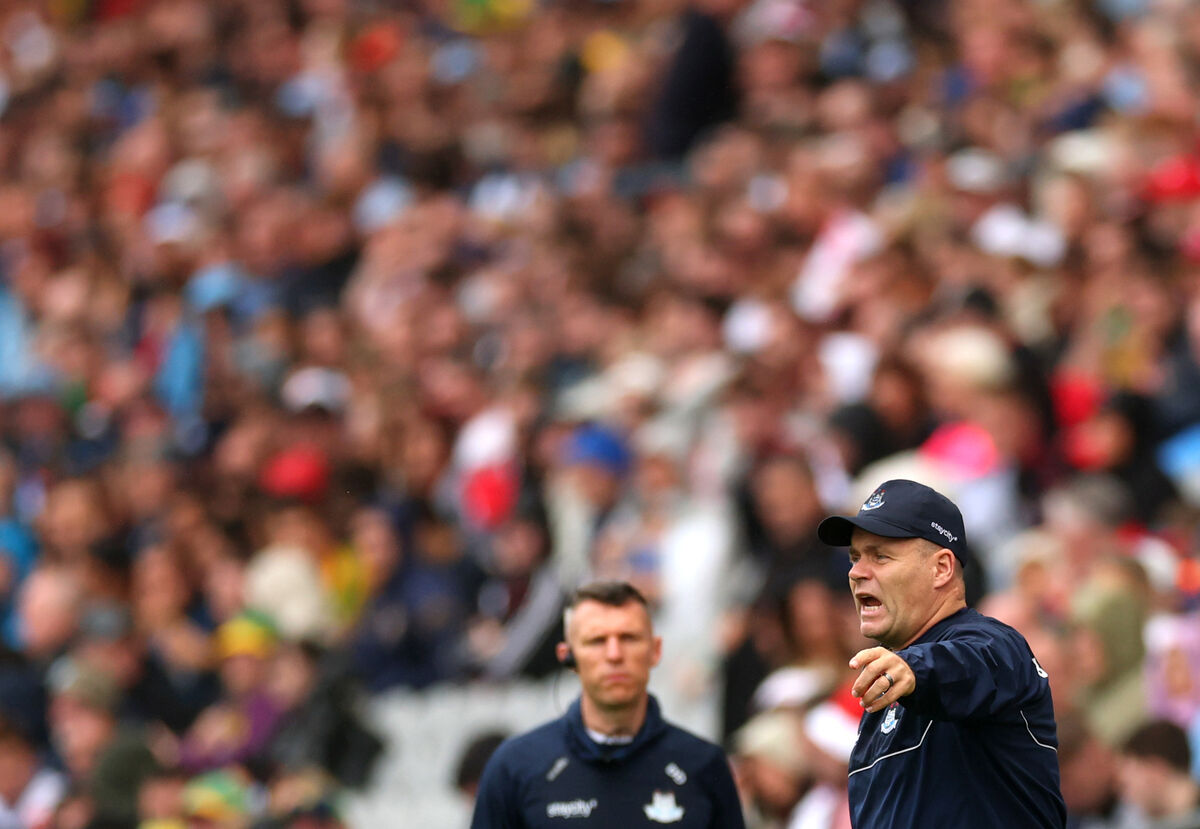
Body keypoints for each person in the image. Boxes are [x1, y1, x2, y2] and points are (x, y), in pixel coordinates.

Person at [816, 479, 1066, 828]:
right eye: (855, 558)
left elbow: (973, 663)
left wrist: (914, 668)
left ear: (942, 568)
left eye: (880, 556)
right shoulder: (886, 692)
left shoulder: (995, 644)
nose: (856, 572)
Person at [470, 581, 746, 828]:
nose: (614, 654)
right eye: (597, 641)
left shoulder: (703, 765)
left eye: (629, 638)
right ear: (568, 657)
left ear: (655, 651)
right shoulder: (516, 767)